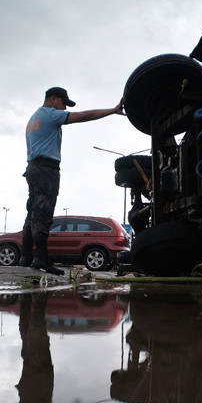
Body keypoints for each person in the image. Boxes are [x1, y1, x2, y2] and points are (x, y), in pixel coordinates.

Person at [21, 87, 124, 275]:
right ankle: (41, 258)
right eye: (63, 103)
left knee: (33, 211)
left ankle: (27, 257)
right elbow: (85, 116)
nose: (63, 109)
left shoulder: (33, 118)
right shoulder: (50, 114)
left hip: (33, 168)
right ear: (52, 99)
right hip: (46, 169)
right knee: (43, 212)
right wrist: (112, 110)